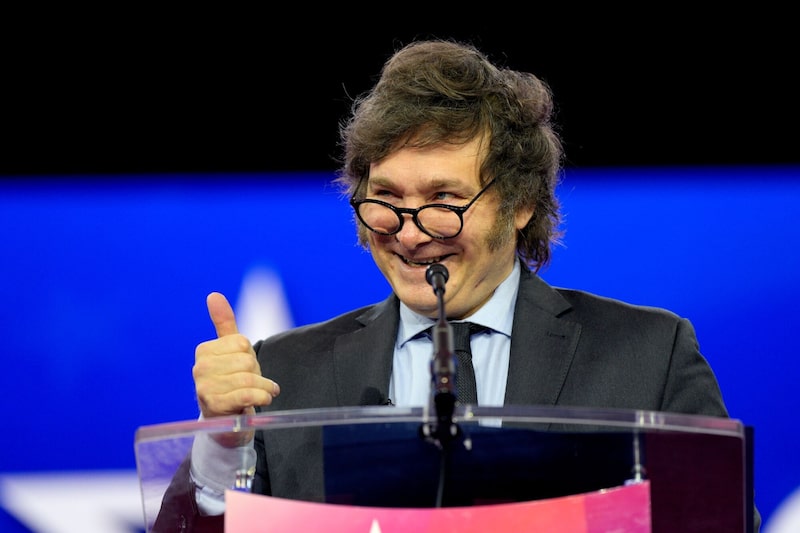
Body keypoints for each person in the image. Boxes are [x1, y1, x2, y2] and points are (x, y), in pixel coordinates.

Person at [154, 38, 759, 531]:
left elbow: (723, 526)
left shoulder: (648, 353)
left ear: (520, 202)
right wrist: (220, 447)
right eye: (386, 199)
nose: (411, 235)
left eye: (444, 200)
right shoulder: (284, 373)